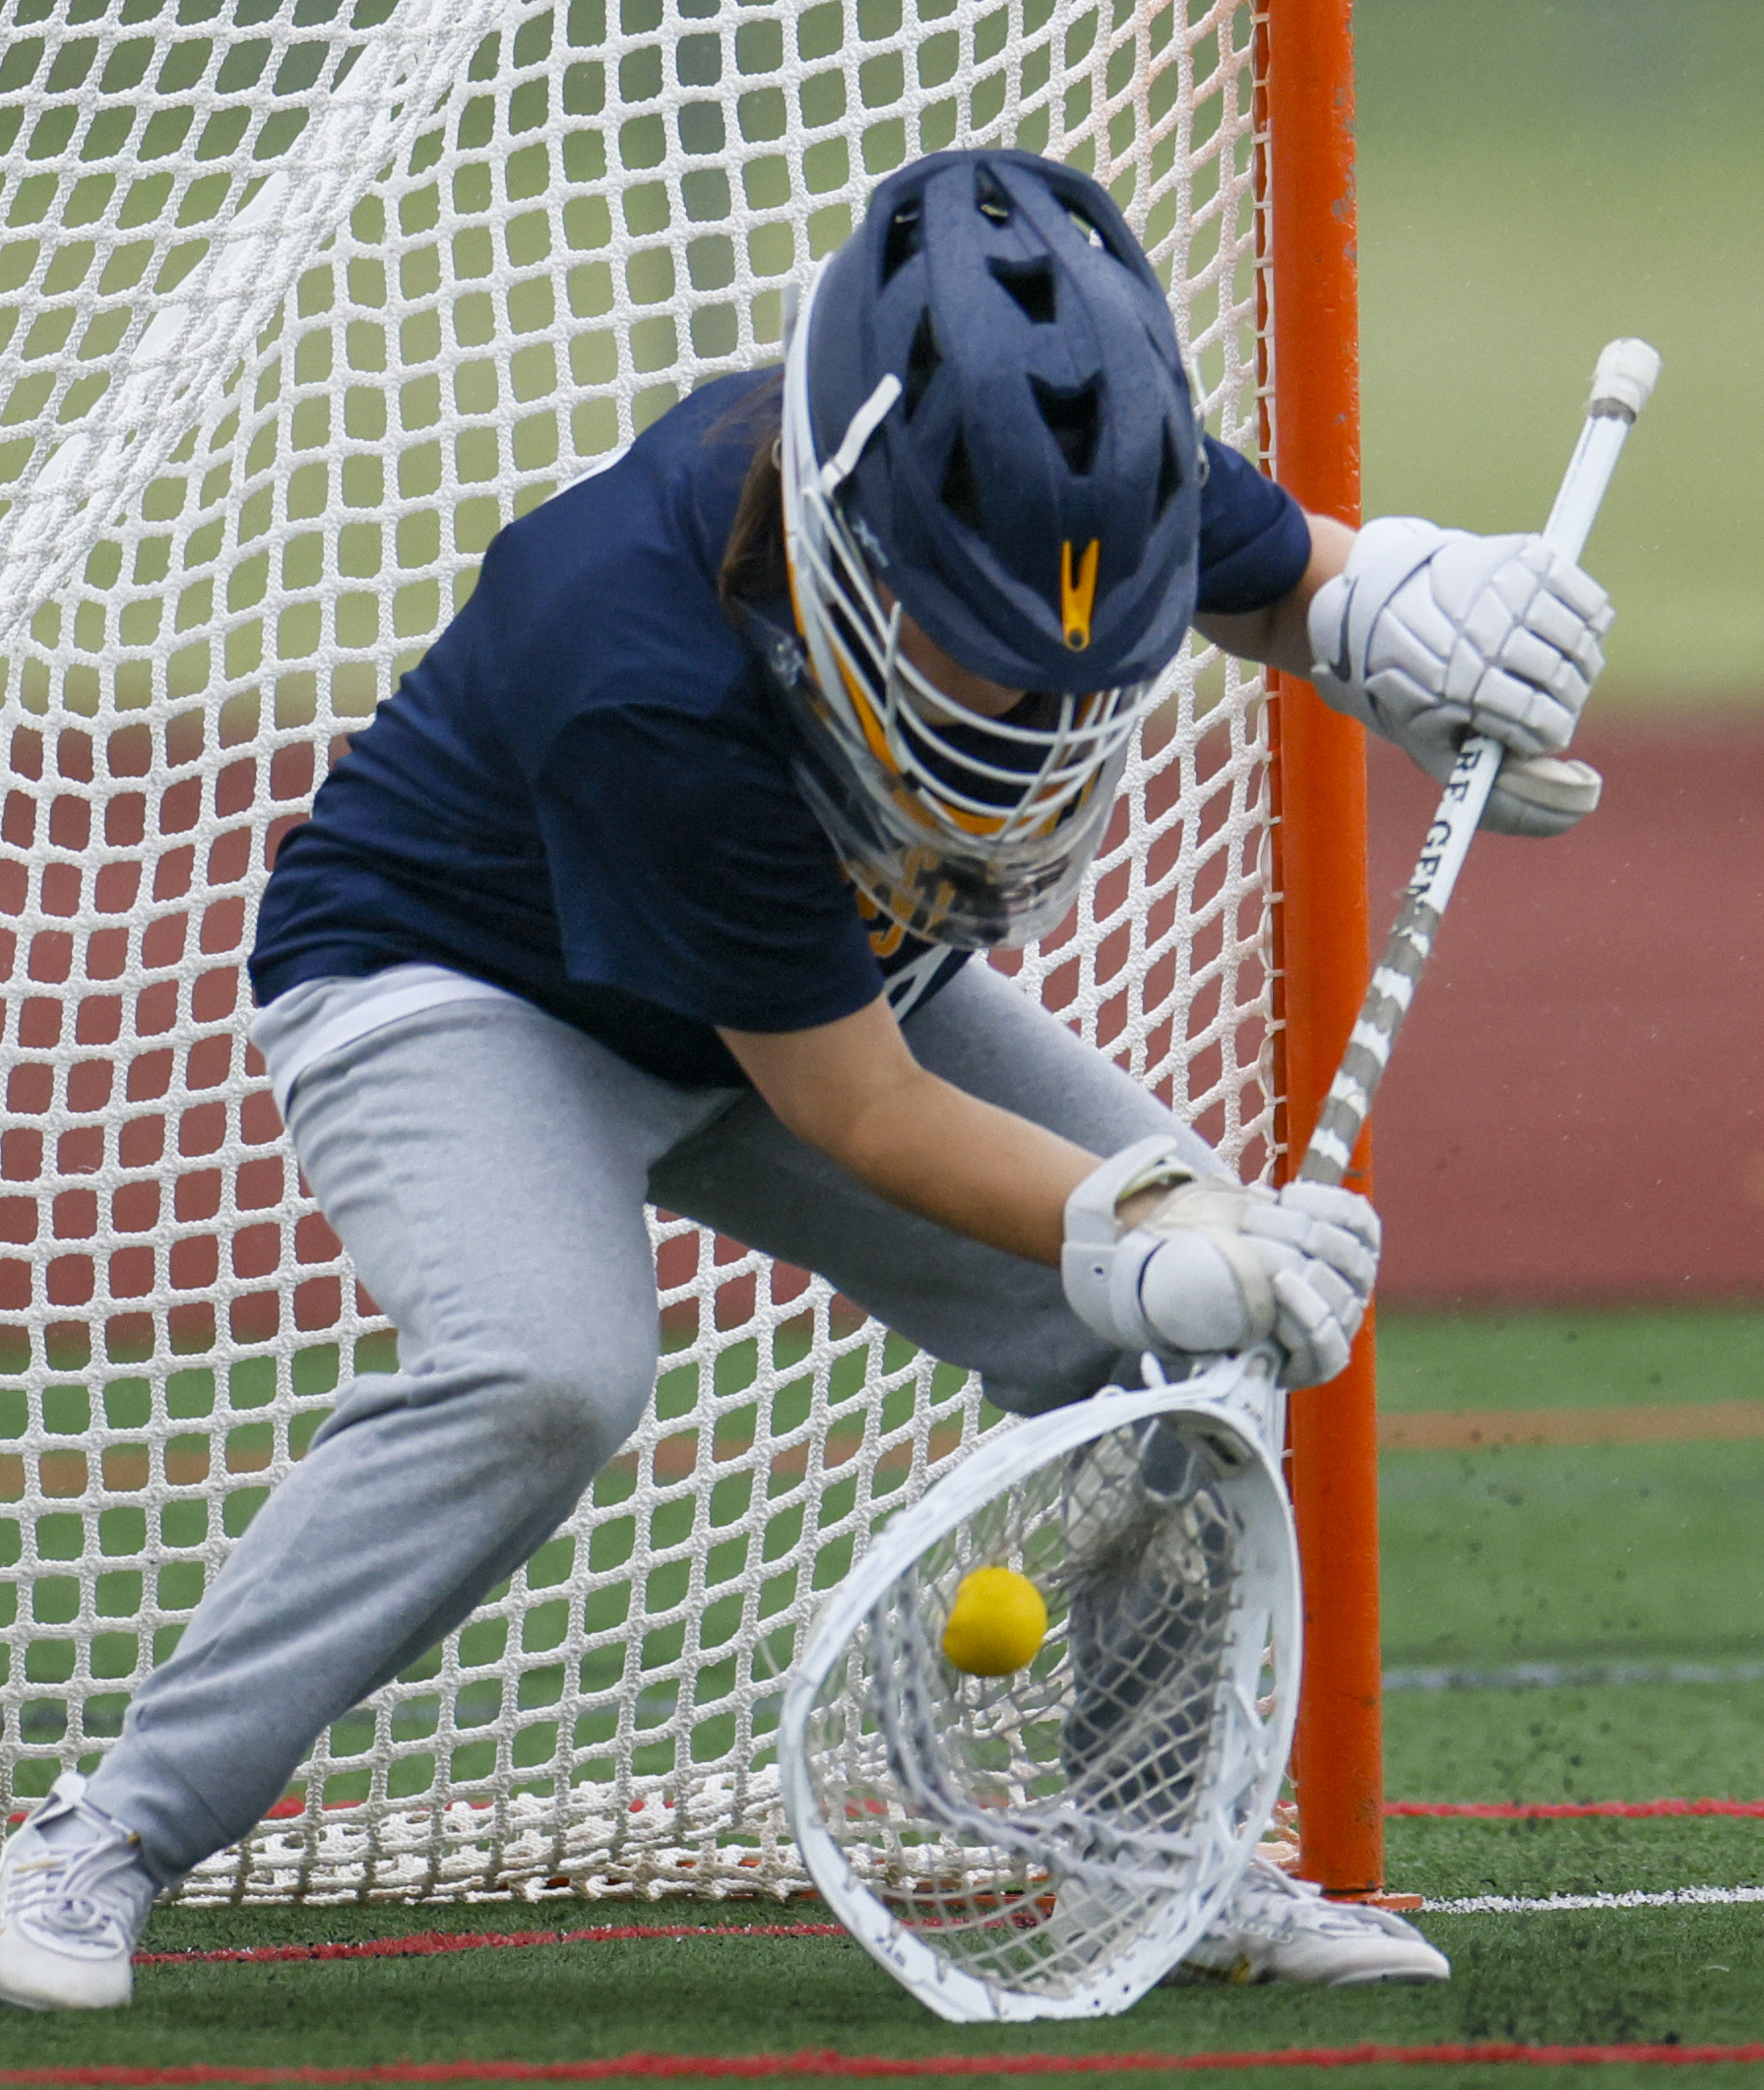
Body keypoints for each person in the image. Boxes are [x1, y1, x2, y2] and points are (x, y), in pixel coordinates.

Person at [0, 149, 1610, 2011]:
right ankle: (100, 1836)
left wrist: (1398, 617)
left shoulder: (1070, 479)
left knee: (1178, 1337)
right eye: (977, 643)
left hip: (817, 988)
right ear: (853, 527)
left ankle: (1150, 1858)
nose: (1025, 706)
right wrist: (1153, 1219)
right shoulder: (639, 667)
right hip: (465, 988)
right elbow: (853, 1109)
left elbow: (1280, 581)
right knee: (551, 1364)